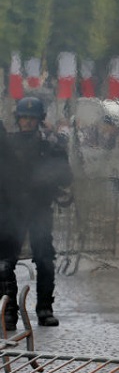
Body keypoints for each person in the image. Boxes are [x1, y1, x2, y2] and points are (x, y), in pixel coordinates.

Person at [0, 97, 73, 330]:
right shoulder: (7, 144)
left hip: (39, 208)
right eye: (23, 118)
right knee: (5, 263)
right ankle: (8, 312)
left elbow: (65, 176)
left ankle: (44, 309)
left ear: (39, 120)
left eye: (31, 118)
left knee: (44, 259)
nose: (27, 122)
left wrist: (50, 177)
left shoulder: (50, 144)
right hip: (13, 209)